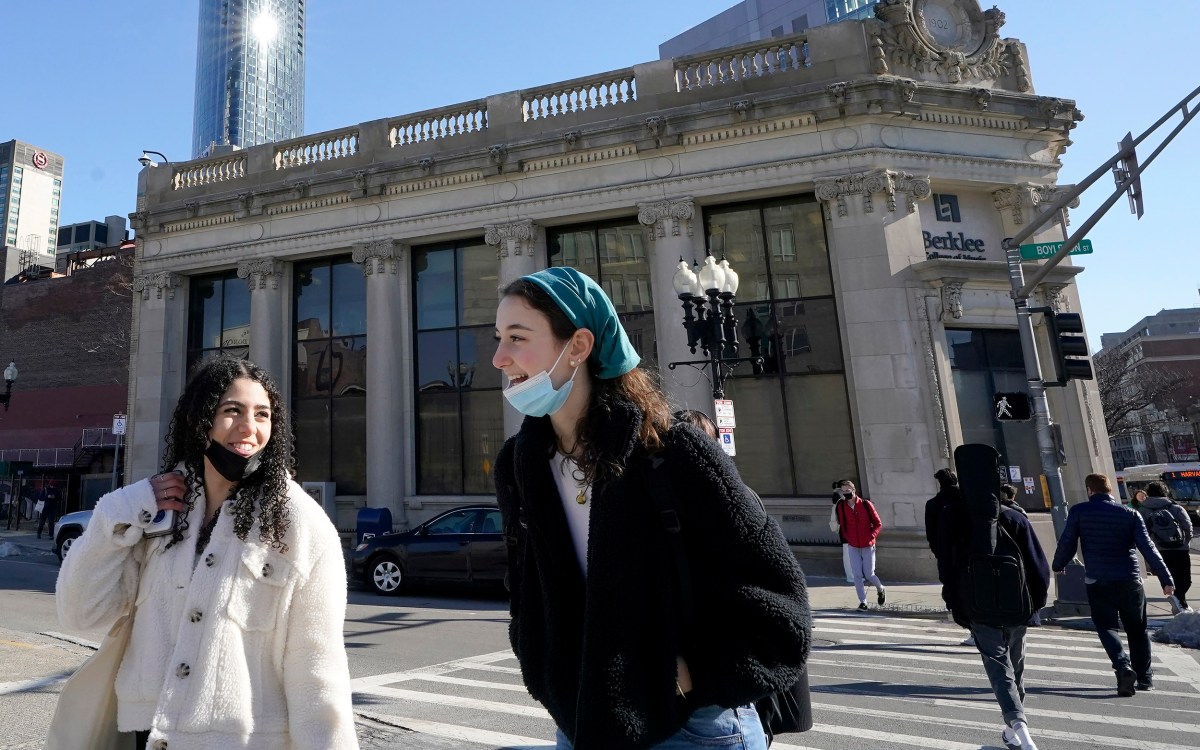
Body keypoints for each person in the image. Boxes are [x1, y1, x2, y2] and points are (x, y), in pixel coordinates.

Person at [492, 267, 810, 750]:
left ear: (577, 345)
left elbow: (779, 602)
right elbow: (527, 590)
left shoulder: (674, 452)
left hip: (694, 725)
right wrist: (547, 669)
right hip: (582, 720)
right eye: (499, 337)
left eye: (517, 337)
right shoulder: (521, 464)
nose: (499, 357)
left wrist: (693, 674)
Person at [56, 357, 358, 750]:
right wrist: (116, 513)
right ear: (200, 420)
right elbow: (80, 613)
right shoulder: (157, 512)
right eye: (232, 411)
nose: (249, 428)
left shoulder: (300, 524)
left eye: (262, 415)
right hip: (148, 736)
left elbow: (318, 671)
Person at [937, 483, 1050, 750]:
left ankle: (1019, 728)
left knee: (1000, 668)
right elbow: (1039, 567)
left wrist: (955, 603)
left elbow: (947, 567)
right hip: (1017, 606)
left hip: (979, 606)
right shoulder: (1016, 518)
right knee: (1015, 664)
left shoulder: (957, 520)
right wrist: (1035, 605)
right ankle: (1015, 729)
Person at [1051, 473, 1174, 696]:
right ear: (1110, 491)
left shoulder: (1079, 511)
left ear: (1090, 490)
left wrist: (1058, 564)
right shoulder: (1130, 513)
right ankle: (1145, 678)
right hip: (1130, 579)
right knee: (1137, 630)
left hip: (1098, 579)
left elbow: (1067, 541)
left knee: (1106, 626)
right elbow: (1148, 548)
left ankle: (1122, 666)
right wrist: (1166, 579)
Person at [1137, 481, 1193, 612]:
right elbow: (1188, 527)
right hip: (1180, 549)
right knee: (1185, 579)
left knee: (1169, 577)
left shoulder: (1142, 510)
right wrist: (1185, 543)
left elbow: (1142, 532)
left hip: (1160, 550)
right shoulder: (1175, 507)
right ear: (1165, 492)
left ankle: (1179, 602)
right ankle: (1180, 599)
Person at [831, 478, 886, 610]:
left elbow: (878, 524)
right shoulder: (842, 506)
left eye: (848, 490)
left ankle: (881, 588)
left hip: (868, 545)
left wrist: (871, 536)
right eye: (843, 491)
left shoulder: (866, 504)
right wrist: (848, 538)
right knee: (857, 575)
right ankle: (863, 602)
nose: (846, 493)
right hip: (853, 545)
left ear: (854, 490)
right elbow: (842, 525)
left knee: (869, 574)